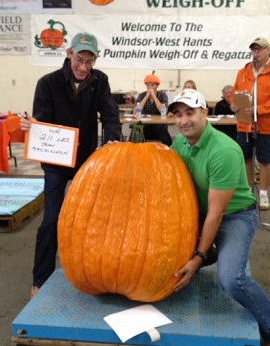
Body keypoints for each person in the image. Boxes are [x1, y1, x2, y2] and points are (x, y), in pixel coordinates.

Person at [169, 88, 270, 346]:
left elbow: (217, 212)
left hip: (235, 217)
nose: (183, 121)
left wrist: (198, 257)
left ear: (205, 113)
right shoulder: (179, 142)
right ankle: (211, 252)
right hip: (198, 213)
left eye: (190, 112)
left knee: (231, 279)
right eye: (178, 115)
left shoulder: (224, 150)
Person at [20, 32, 121, 298]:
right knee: (51, 220)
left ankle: (89, 272)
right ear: (68, 54)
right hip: (56, 162)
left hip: (86, 160)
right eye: (79, 60)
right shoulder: (48, 83)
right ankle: (40, 280)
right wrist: (33, 127)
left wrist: (111, 140)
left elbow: (110, 112)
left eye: (90, 62)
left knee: (90, 219)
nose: (84, 68)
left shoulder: (100, 82)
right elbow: (42, 121)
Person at [231, 37, 270, 210]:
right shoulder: (243, 71)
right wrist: (233, 104)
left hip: (266, 125)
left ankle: (263, 194)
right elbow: (235, 92)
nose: (256, 52)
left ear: (268, 50)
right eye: (254, 49)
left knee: (265, 160)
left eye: (260, 49)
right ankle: (248, 192)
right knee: (246, 158)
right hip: (244, 124)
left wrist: (259, 109)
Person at [134, 71, 172, 146]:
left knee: (163, 135)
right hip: (144, 124)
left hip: (159, 125)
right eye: (148, 85)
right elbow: (135, 112)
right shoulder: (142, 95)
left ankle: (169, 152)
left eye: (152, 85)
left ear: (157, 86)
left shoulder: (162, 95)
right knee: (137, 132)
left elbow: (163, 111)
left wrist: (154, 97)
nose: (150, 87)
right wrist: (146, 97)